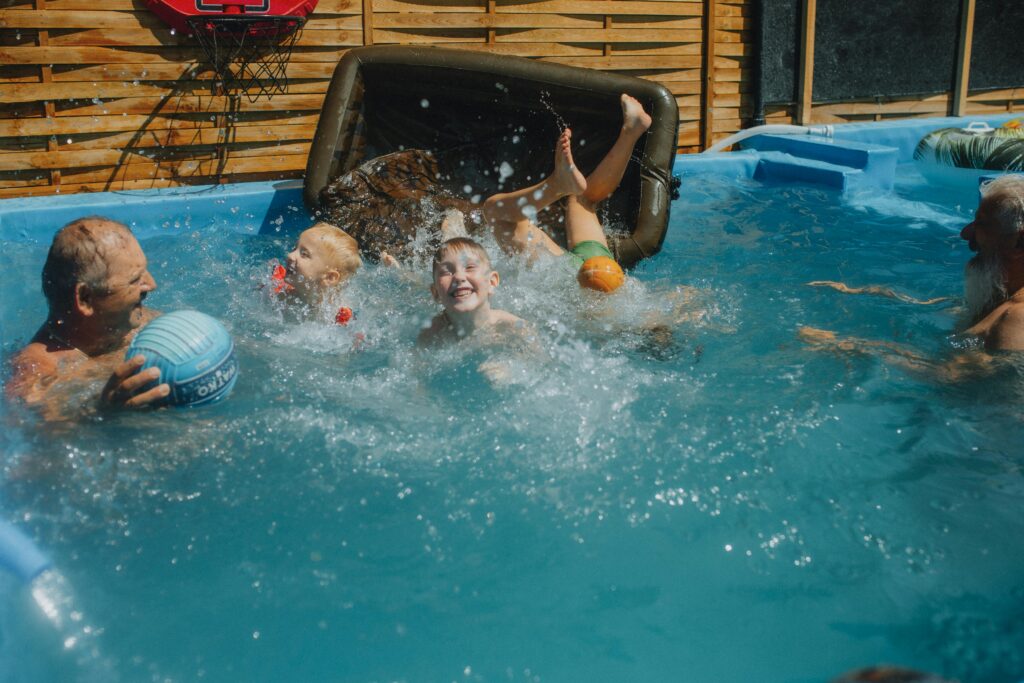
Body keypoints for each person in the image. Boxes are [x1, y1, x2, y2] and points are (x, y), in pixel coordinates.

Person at [800, 174, 1024, 374]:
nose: (965, 233)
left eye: (982, 224)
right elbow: (951, 308)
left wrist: (851, 346)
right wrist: (875, 293)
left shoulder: (1016, 318)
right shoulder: (1000, 298)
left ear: (1017, 244)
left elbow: (960, 379)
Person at [479, 93, 652, 290]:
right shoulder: (622, 303)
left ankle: (557, 184)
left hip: (582, 276)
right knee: (580, 199)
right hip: (599, 273)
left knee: (497, 212)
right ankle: (630, 131)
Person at [6, 217, 166, 417]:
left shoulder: (136, 322)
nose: (151, 284)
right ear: (85, 298)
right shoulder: (39, 375)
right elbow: (38, 440)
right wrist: (100, 412)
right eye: (135, 279)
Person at [417, 237, 525, 347]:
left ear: (491, 282)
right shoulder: (432, 336)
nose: (459, 277)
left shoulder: (511, 327)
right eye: (446, 272)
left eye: (469, 267)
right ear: (436, 293)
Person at [275, 222, 362, 325]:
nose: (290, 255)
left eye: (304, 254)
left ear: (330, 277)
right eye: (295, 248)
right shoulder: (283, 295)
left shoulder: (339, 316)